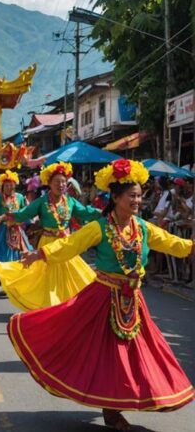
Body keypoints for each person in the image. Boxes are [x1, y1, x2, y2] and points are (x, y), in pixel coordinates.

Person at [12, 159, 193, 431]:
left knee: (142, 352)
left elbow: (172, 243)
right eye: (131, 196)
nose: (137, 201)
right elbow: (71, 244)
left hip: (133, 301)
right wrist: (39, 253)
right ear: (116, 197)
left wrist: (191, 247)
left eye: (140, 196)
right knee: (108, 355)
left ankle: (147, 396)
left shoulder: (143, 228)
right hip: (103, 298)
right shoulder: (100, 227)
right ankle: (112, 411)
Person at [0, 162, 101, 311]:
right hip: (48, 243)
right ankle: (50, 308)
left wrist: (103, 212)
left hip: (66, 244)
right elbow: (24, 214)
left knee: (75, 276)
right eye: (57, 182)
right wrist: (6, 216)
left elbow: (85, 212)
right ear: (49, 183)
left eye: (63, 182)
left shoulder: (69, 201)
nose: (61, 185)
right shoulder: (42, 202)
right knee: (48, 278)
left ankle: (67, 307)